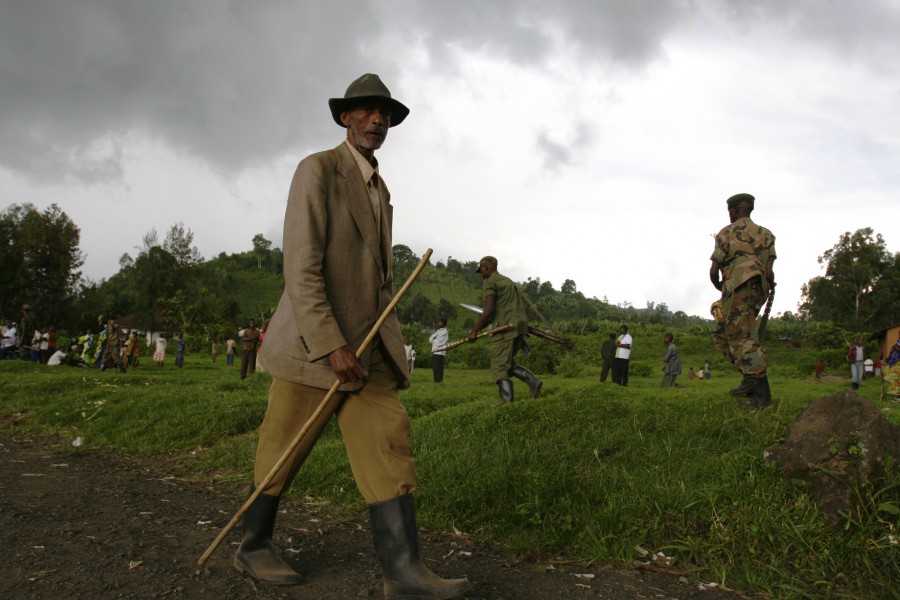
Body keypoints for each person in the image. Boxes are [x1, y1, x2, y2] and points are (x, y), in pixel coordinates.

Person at [241, 74, 470, 598]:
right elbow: (301, 269)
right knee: (283, 452)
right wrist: (330, 344)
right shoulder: (317, 170)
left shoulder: (380, 188)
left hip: (367, 352)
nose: (377, 121)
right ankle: (252, 545)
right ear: (345, 117)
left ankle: (404, 574)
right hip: (313, 349)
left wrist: (367, 343)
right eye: (366, 111)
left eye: (384, 114)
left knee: (388, 441)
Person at [709, 193, 776, 408]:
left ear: (736, 210)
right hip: (756, 290)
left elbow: (714, 269)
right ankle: (749, 379)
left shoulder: (726, 233)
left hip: (738, 286)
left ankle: (762, 397)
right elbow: (769, 272)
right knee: (722, 335)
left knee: (743, 338)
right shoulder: (766, 235)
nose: (729, 213)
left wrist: (721, 286)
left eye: (731, 210)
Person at [467, 256, 542, 404]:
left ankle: (507, 402)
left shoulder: (490, 282)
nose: (481, 274)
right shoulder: (508, 281)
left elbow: (489, 310)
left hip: (505, 329)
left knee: (499, 366)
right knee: (507, 362)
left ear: (486, 268)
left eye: (481, 270)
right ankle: (533, 382)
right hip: (520, 327)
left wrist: (474, 331)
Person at [428, 319, 449, 383]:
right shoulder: (438, 331)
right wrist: (434, 339)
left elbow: (440, 342)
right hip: (435, 351)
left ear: (444, 324)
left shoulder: (444, 332)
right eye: (438, 323)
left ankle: (439, 381)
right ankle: (436, 381)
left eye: (440, 323)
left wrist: (434, 339)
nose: (438, 324)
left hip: (440, 352)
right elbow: (430, 338)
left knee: (439, 367)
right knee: (435, 367)